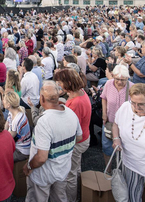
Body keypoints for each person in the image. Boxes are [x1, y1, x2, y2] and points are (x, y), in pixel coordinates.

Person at [23, 80, 82, 202]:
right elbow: (79, 137)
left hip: (43, 174)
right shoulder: (71, 113)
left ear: (42, 99)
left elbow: (41, 158)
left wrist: (29, 165)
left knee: (38, 198)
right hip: (63, 169)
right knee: (60, 198)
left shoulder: (44, 122)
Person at [54, 68, 91, 201]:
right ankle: (81, 191)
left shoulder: (76, 103)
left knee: (70, 174)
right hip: (84, 137)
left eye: (60, 82)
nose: (59, 85)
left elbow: (70, 129)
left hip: (77, 141)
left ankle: (72, 198)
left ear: (68, 83)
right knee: (76, 168)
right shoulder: (79, 93)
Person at [100, 64, 133, 163]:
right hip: (110, 120)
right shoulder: (108, 84)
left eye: (123, 80)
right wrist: (104, 113)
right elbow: (104, 98)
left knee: (126, 148)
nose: (119, 82)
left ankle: (123, 169)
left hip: (125, 124)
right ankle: (108, 169)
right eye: (117, 79)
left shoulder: (132, 87)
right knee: (107, 146)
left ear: (127, 78)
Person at [3, 91, 31, 161]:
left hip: (21, 151)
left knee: (0, 157)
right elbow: (7, 123)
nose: (2, 101)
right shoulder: (13, 111)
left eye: (4, 100)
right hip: (17, 144)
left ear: (8, 105)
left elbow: (9, 138)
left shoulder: (17, 119)